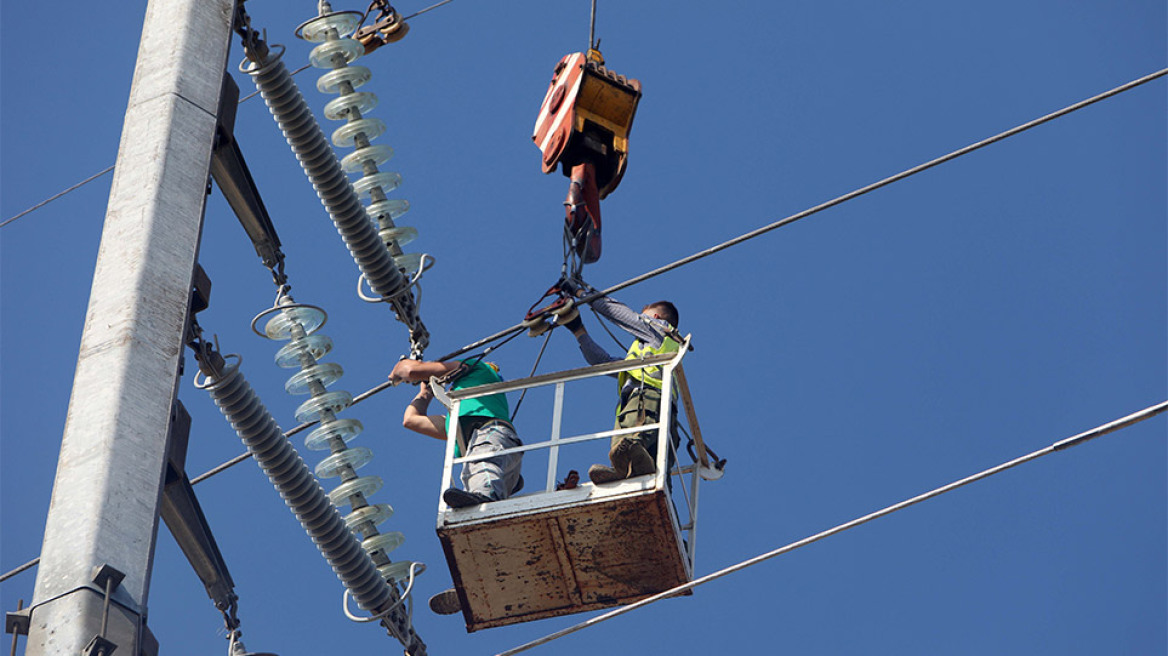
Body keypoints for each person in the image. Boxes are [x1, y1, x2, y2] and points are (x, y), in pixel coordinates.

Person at [562, 293, 682, 484]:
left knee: (631, 443)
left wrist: (581, 293)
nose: (639, 320)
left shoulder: (660, 331)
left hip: (648, 400)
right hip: (649, 411)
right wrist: (578, 329)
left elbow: (618, 313)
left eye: (644, 315)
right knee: (636, 454)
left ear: (655, 317)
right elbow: (601, 361)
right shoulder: (642, 357)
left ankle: (628, 465)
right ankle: (625, 470)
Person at [390, 358, 523, 509]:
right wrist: (426, 393)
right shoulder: (457, 421)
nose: (450, 391)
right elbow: (411, 420)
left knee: (483, 468)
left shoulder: (478, 368)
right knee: (475, 477)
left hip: (492, 438)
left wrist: (399, 367)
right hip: (495, 455)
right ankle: (484, 497)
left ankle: (485, 497)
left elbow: (411, 371)